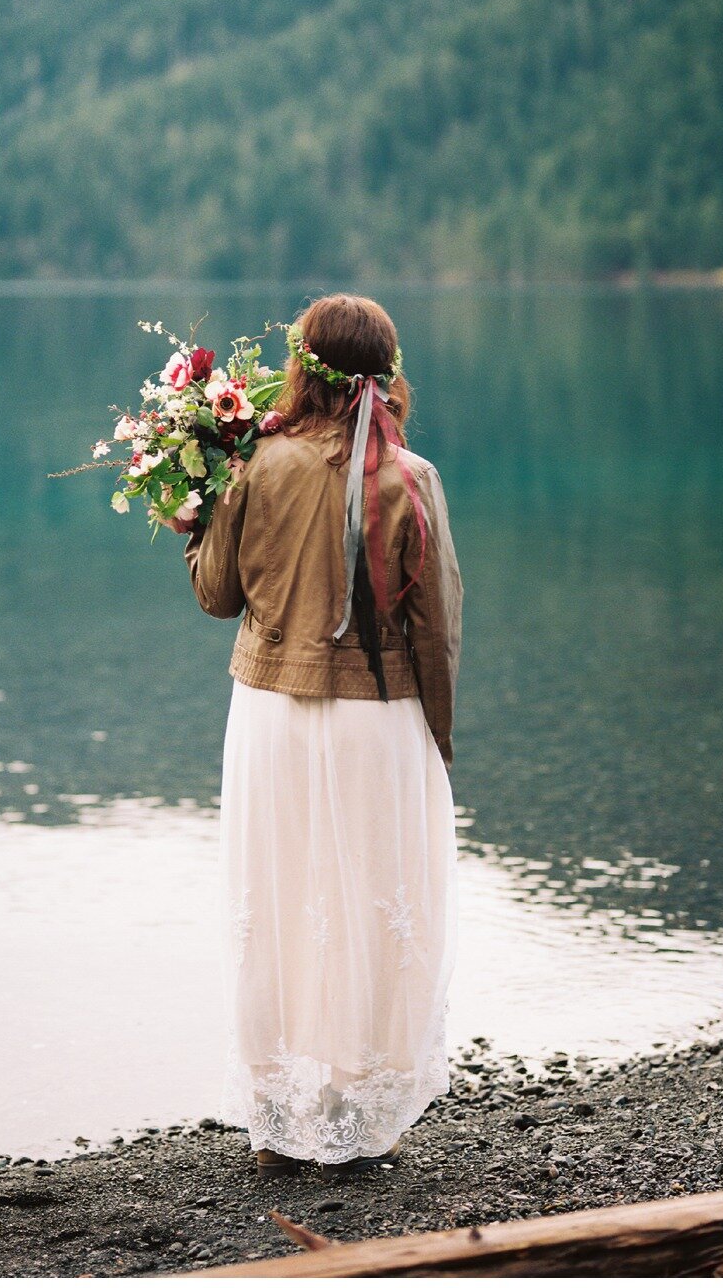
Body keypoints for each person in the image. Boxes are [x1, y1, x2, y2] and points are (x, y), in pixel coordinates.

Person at [184, 293, 464, 1176]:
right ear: (387, 373)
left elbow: (217, 595)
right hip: (377, 720)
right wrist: (439, 738)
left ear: (303, 367)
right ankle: (357, 1114)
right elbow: (437, 623)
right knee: (366, 904)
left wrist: (193, 531)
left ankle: (275, 1122)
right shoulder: (411, 478)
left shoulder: (253, 462)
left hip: (268, 713)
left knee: (275, 902)